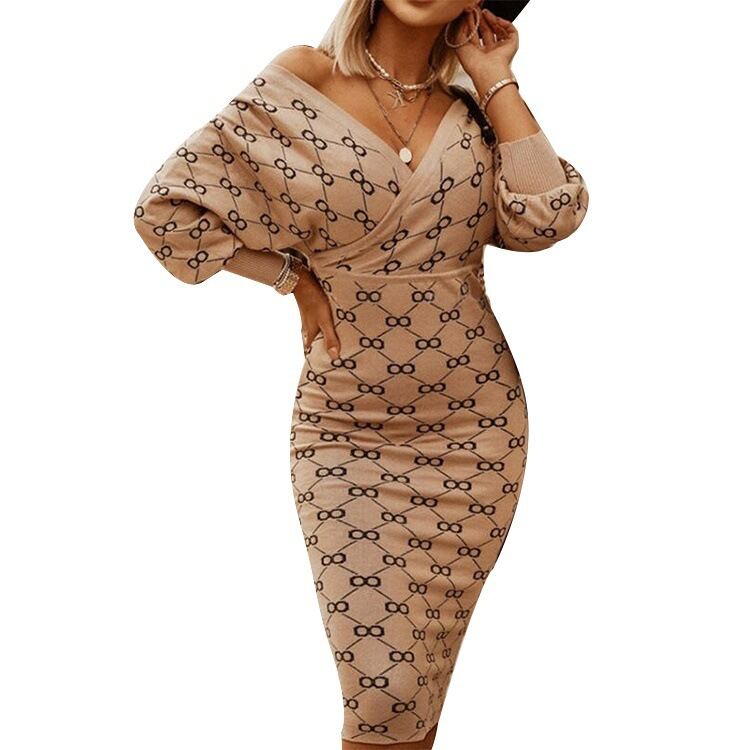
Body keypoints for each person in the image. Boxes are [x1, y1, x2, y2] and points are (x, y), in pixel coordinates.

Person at [132, 1, 589, 747]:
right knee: (383, 693)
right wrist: (290, 278)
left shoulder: (474, 111)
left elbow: (547, 216)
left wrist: (494, 77)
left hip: (476, 434)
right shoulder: (302, 78)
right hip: (347, 433)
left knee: (417, 688)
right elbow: (167, 214)